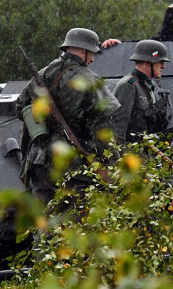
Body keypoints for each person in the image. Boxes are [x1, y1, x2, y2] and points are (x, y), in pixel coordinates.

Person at [17, 27, 121, 202]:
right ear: (82, 51)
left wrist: (41, 128)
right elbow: (104, 125)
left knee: (44, 221)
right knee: (74, 220)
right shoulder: (90, 80)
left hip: (40, 162)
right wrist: (112, 163)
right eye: (91, 53)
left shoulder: (43, 74)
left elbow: (21, 107)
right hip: (74, 165)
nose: (93, 59)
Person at [112, 39, 173, 144]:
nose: (163, 66)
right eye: (160, 62)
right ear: (147, 62)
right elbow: (117, 131)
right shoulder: (128, 86)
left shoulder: (148, 86)